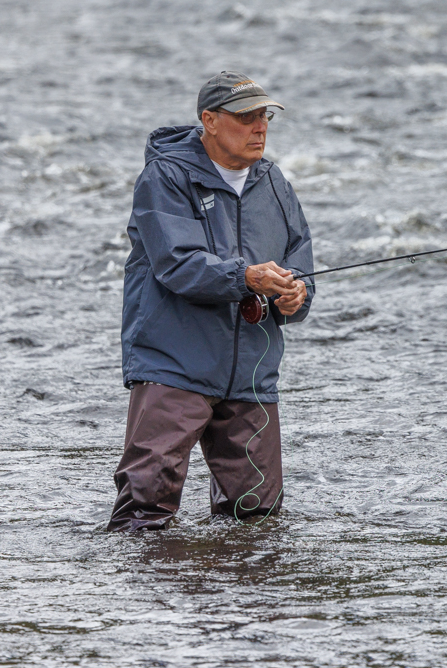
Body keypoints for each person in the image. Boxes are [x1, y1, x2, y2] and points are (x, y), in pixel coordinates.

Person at [107, 71, 314, 532]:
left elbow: (300, 263)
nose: (259, 127)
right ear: (210, 121)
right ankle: (142, 603)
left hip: (252, 374)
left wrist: (295, 294)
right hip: (173, 364)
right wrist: (246, 276)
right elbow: (177, 264)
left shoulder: (274, 183)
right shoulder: (164, 176)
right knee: (144, 512)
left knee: (256, 520)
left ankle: (239, 602)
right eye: (246, 117)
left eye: (265, 116)